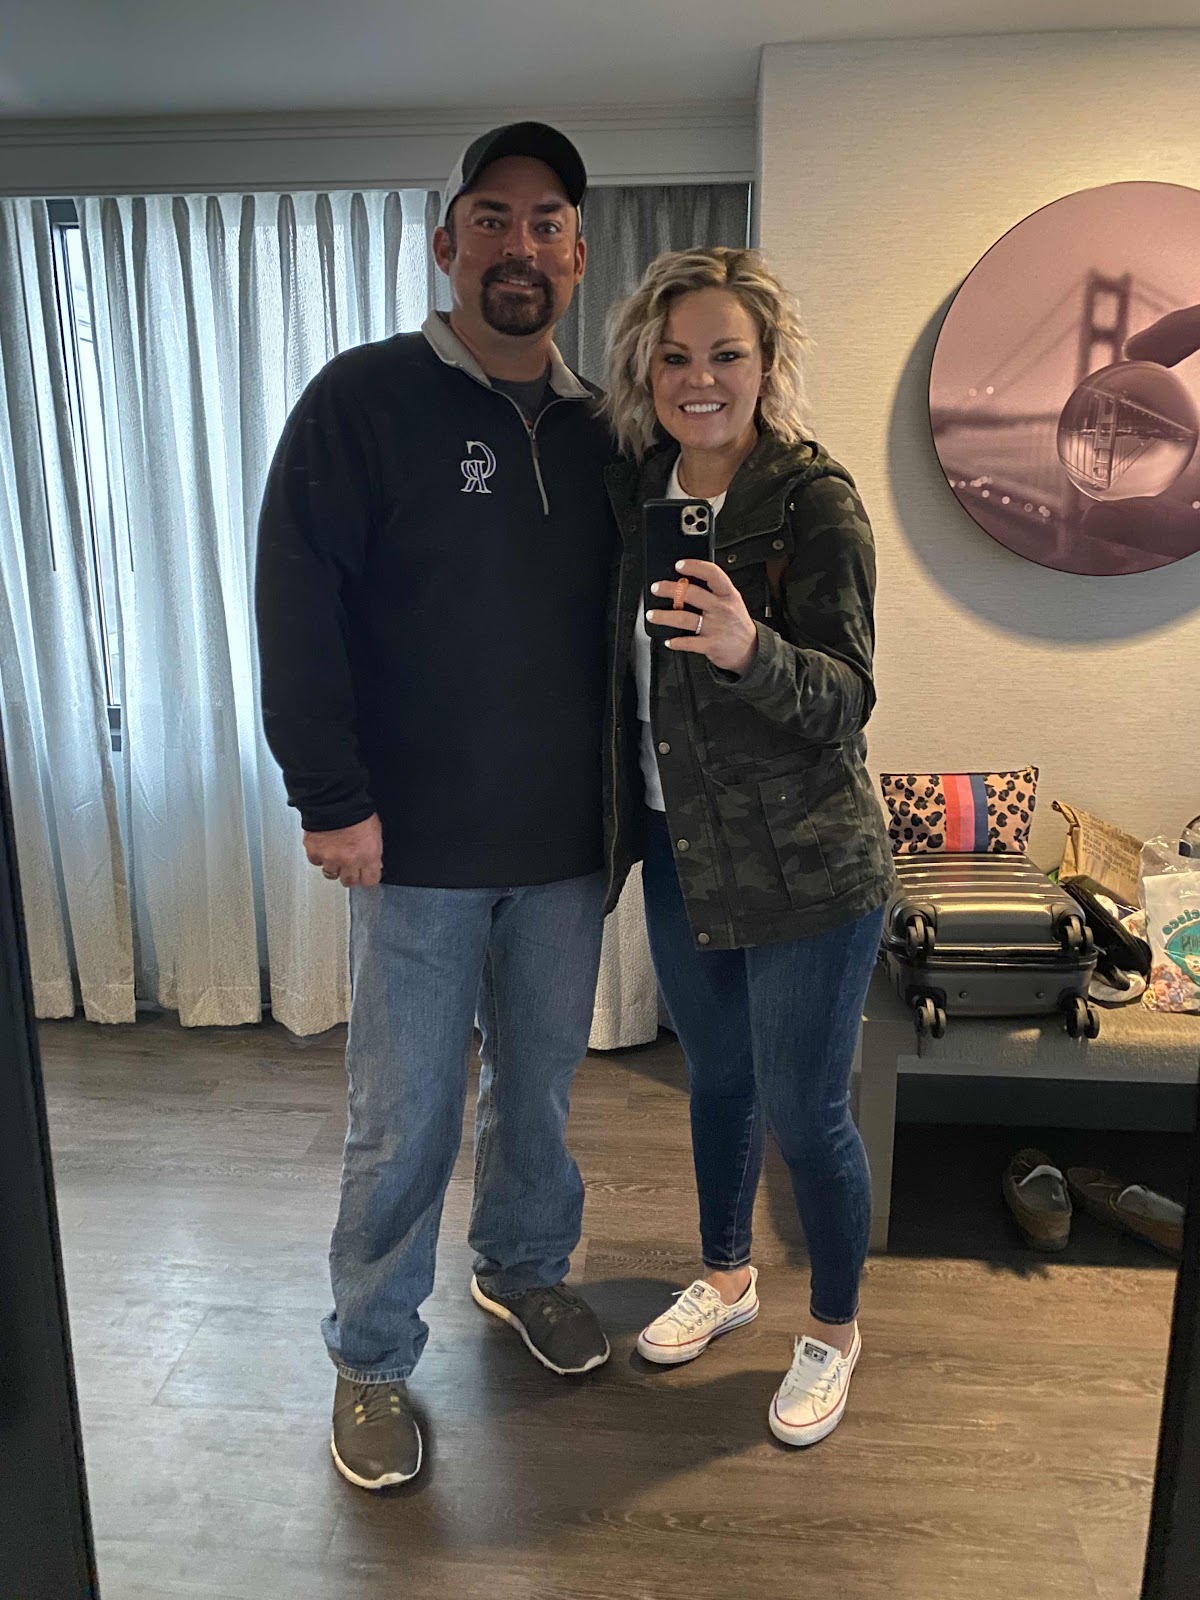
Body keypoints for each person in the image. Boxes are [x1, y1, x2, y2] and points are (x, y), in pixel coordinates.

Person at [255, 122, 619, 1491]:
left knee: (538, 1094)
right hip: (409, 847)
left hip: (565, 851)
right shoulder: (362, 400)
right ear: (444, 243)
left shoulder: (607, 431)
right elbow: (295, 598)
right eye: (492, 218)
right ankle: (369, 1354)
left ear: (576, 255)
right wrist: (330, 795)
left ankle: (521, 1269)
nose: (518, 245)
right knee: (403, 1115)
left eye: (546, 222)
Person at [602, 247, 895, 1447]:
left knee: (806, 1110)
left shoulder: (812, 498)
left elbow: (848, 696)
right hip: (684, 850)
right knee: (717, 1078)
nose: (701, 378)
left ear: (766, 365)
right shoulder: (641, 494)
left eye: (726, 353)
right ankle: (727, 1277)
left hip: (810, 864)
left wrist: (748, 648)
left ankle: (833, 1330)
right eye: (676, 356)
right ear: (648, 371)